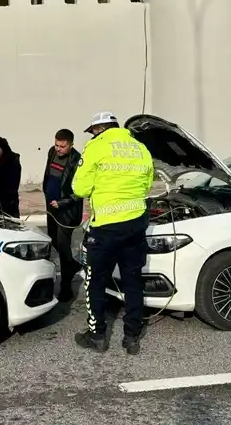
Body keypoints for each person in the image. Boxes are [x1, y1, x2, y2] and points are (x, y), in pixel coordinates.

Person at [71, 111, 154, 355]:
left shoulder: (96, 147)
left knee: (95, 280)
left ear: (98, 129)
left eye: (93, 131)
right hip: (136, 223)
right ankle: (132, 338)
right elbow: (147, 185)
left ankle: (97, 336)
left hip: (106, 227)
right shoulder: (140, 148)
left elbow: (79, 187)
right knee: (133, 281)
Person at [42, 128, 84, 303]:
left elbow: (80, 191)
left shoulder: (77, 160)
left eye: (63, 146)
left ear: (71, 145)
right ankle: (73, 265)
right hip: (51, 206)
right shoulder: (51, 152)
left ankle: (66, 288)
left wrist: (63, 202)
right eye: (57, 145)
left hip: (67, 210)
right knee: (53, 240)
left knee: (62, 244)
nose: (59, 149)